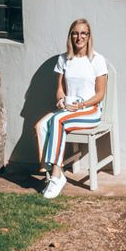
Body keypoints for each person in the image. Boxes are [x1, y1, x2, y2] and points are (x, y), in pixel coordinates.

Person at [35, 18, 108, 199]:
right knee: (40, 126)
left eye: (83, 33)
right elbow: (60, 89)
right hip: (69, 107)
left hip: (90, 109)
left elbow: (100, 94)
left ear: (89, 36)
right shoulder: (64, 59)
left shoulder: (97, 60)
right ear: (70, 36)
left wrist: (82, 105)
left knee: (58, 120)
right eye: (75, 33)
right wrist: (60, 100)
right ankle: (51, 170)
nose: (79, 37)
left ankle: (57, 176)